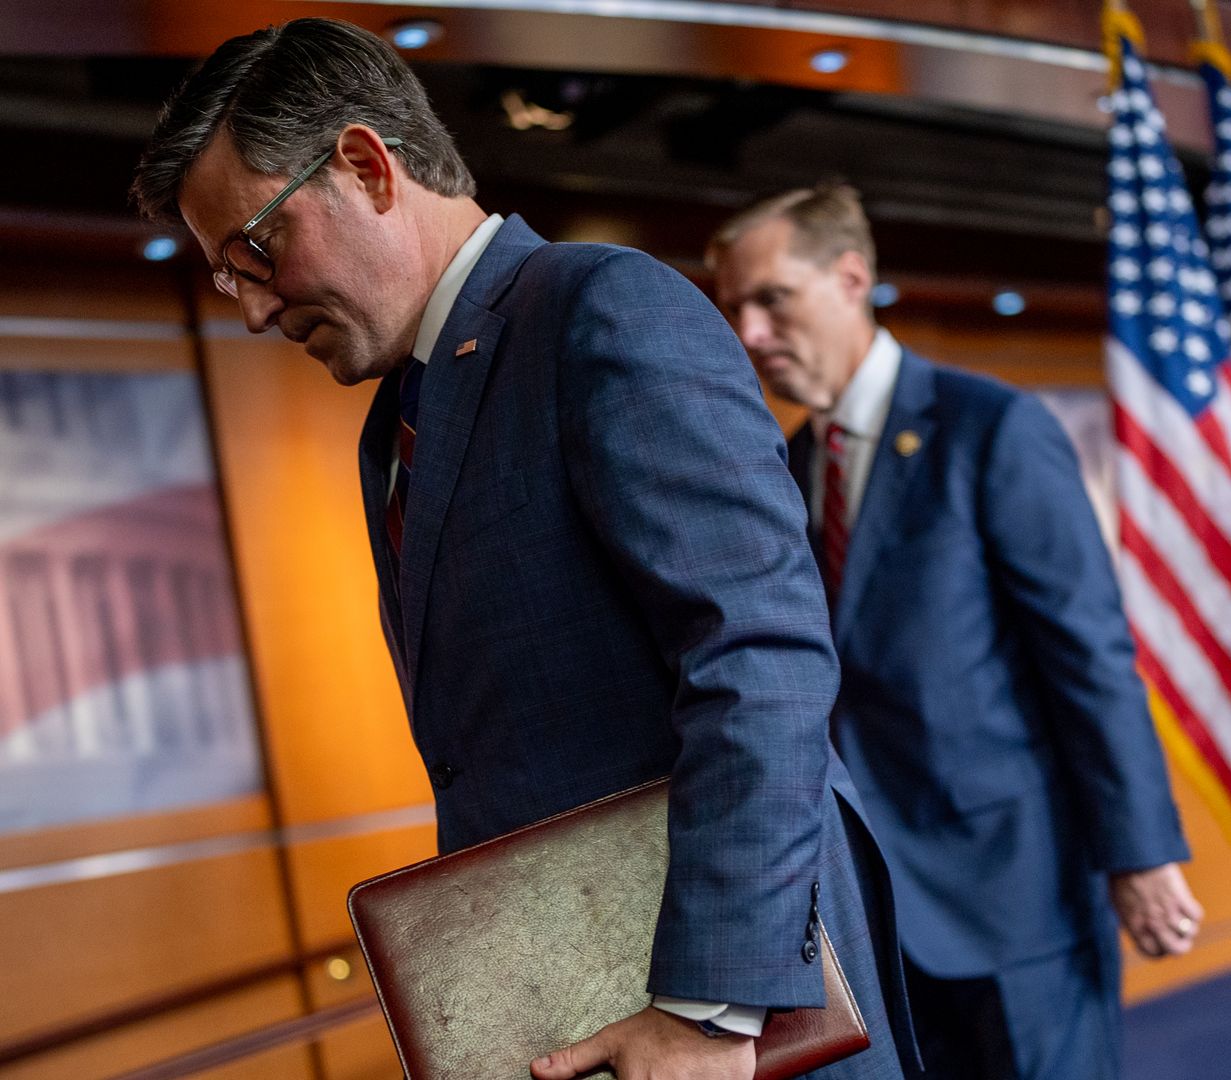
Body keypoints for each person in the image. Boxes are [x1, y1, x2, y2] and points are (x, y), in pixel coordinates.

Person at [131, 19, 908, 1080]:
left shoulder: (602, 309)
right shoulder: (393, 424)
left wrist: (708, 1010)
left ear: (365, 165)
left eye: (257, 250)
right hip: (594, 1003)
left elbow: (761, 659)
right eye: (228, 279)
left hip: (729, 1024)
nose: (256, 308)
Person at [706, 184, 1198, 1080]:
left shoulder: (994, 427)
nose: (750, 333)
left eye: (771, 299)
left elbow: (1087, 656)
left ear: (851, 277)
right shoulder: (791, 465)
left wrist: (1141, 853)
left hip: (1020, 903)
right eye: (733, 307)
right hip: (877, 919)